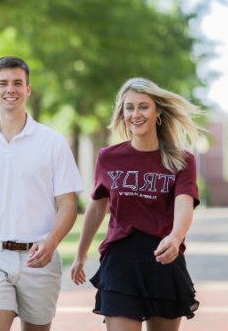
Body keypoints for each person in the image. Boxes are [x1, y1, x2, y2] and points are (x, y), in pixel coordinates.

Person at [0, 56, 84, 331]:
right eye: (2, 83)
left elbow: (68, 205)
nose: (10, 89)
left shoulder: (52, 143)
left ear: (28, 89)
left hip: (40, 258)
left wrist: (50, 243)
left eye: (17, 83)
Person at [70, 77, 202, 331]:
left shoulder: (181, 160)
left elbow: (184, 203)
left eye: (143, 106)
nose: (135, 114)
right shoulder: (109, 157)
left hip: (163, 259)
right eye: (129, 107)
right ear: (122, 113)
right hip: (120, 262)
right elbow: (97, 208)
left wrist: (175, 237)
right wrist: (80, 254)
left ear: (158, 112)